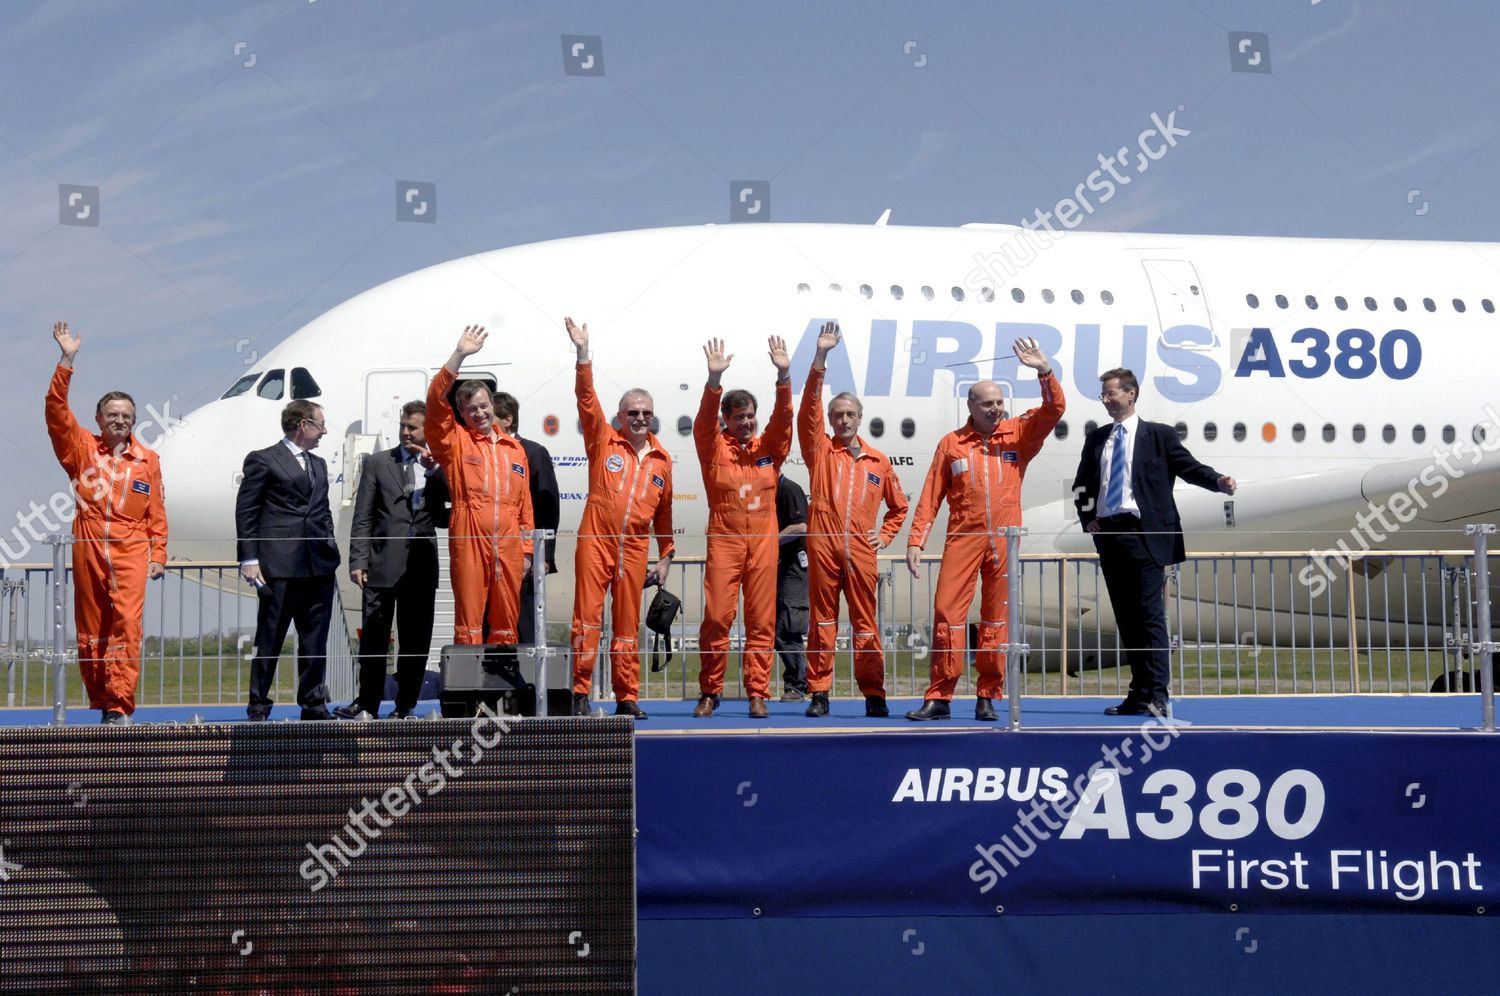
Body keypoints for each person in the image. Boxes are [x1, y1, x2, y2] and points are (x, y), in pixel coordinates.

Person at [905, 338, 1064, 721]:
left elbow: (1054, 409)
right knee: (947, 612)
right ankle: (939, 696)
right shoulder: (953, 444)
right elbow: (931, 495)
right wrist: (916, 540)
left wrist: (1044, 370)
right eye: (987, 404)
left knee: (997, 619)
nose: (995, 409)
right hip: (964, 538)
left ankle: (987, 696)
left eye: (998, 403)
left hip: (1004, 542)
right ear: (971, 407)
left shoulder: (1018, 435)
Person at [1073, 368, 1236, 716]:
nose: (1105, 400)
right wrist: (1088, 517)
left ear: (1131, 394)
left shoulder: (1158, 436)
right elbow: (1083, 486)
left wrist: (1217, 481)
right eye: (1103, 394)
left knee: (1149, 618)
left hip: (1144, 535)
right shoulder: (1097, 438)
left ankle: (1158, 694)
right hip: (1110, 536)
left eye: (1111, 393)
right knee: (1127, 618)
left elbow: (1188, 466)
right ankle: (1139, 693)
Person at [45, 321, 168, 725]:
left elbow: (157, 514)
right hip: (89, 544)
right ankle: (100, 700)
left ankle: (120, 704)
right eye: (112, 414)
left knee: (128, 627)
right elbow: (56, 413)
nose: (119, 420)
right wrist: (67, 361)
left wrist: (159, 554)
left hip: (132, 549)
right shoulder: (81, 448)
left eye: (127, 415)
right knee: (92, 627)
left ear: (134, 421)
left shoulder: (147, 459)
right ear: (98, 418)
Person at [562, 318, 675, 719]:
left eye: (646, 412)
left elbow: (665, 514)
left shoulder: (662, 460)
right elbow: (585, 399)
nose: (640, 418)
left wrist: (666, 555)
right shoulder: (602, 440)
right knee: (587, 620)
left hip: (634, 547)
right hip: (596, 540)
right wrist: (582, 354)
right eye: (633, 412)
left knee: (627, 627)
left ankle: (627, 697)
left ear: (652, 417)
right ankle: (579, 693)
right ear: (621, 416)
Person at [799, 322, 909, 718]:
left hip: (861, 551)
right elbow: (808, 407)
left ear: (860, 418)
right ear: (830, 419)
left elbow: (899, 506)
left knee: (865, 625)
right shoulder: (820, 451)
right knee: (822, 622)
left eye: (849, 415)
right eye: (837, 415)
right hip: (824, 549)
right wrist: (821, 358)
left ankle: (874, 694)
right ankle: (819, 692)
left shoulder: (878, 461)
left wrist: (886, 535)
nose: (843, 421)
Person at [692, 336, 794, 719]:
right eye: (739, 417)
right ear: (727, 421)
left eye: (750, 415)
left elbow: (784, 421)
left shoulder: (769, 449)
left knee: (761, 621)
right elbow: (703, 423)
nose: (747, 422)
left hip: (763, 547)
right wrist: (713, 380)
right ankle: (710, 691)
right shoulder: (714, 448)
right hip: (725, 544)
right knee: (718, 617)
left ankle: (757, 691)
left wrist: (784, 376)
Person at [341, 400, 451, 720]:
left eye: (411, 427)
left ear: (427, 430)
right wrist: (357, 560)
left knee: (415, 640)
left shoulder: (440, 465)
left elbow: (449, 510)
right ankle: (367, 703)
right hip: (380, 565)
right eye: (402, 426)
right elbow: (363, 516)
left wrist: (433, 471)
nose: (404, 432)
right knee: (374, 640)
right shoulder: (378, 463)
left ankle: (405, 706)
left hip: (420, 566)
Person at [426, 325, 535, 646]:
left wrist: (527, 551)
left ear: (493, 406)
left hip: (510, 543)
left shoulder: (515, 450)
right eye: (471, 409)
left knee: (506, 620)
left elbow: (525, 506)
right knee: (469, 620)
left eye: (484, 406)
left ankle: (503, 691)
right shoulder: (455, 442)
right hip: (470, 536)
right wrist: (458, 355)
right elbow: (434, 404)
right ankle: (471, 693)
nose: (479, 413)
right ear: (461, 413)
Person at [237, 399, 341, 721]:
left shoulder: (319, 464)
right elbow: (247, 511)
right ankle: (258, 705)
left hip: (317, 565)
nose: (324, 431)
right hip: (278, 566)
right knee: (270, 638)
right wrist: (249, 558)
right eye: (320, 425)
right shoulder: (264, 460)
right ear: (302, 425)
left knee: (314, 639)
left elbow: (321, 510)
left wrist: (330, 547)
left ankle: (313, 703)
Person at [492, 391, 560, 646]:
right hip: (492, 552)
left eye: (491, 417)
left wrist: (544, 556)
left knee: (524, 622)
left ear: (507, 420)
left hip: (525, 554)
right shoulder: (486, 452)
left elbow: (549, 506)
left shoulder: (533, 452)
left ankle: (529, 682)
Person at [774, 474, 809, 703]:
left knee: (789, 624)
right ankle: (796, 682)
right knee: (778, 626)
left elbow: (800, 526)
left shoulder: (789, 489)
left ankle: (797, 684)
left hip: (794, 565)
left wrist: (767, 542)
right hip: (778, 564)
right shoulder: (769, 490)